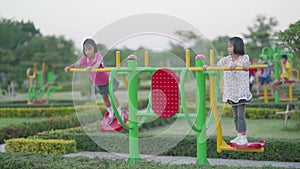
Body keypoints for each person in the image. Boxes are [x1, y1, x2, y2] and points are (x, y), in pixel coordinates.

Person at [203, 37, 251, 145]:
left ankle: (243, 136)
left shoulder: (243, 58)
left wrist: (238, 65)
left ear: (237, 47)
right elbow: (216, 66)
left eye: (230, 46)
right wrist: (207, 67)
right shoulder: (226, 59)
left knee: (240, 115)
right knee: (235, 116)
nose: (228, 48)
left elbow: (247, 66)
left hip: (241, 92)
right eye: (228, 46)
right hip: (232, 92)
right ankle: (239, 135)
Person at [64, 38, 122, 125]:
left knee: (112, 96)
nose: (88, 51)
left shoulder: (98, 56)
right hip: (98, 83)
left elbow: (97, 64)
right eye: (86, 50)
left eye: (89, 49)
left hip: (107, 80)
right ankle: (111, 113)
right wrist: (70, 67)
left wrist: (91, 67)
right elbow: (77, 64)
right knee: (105, 99)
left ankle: (119, 113)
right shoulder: (85, 58)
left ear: (94, 48)